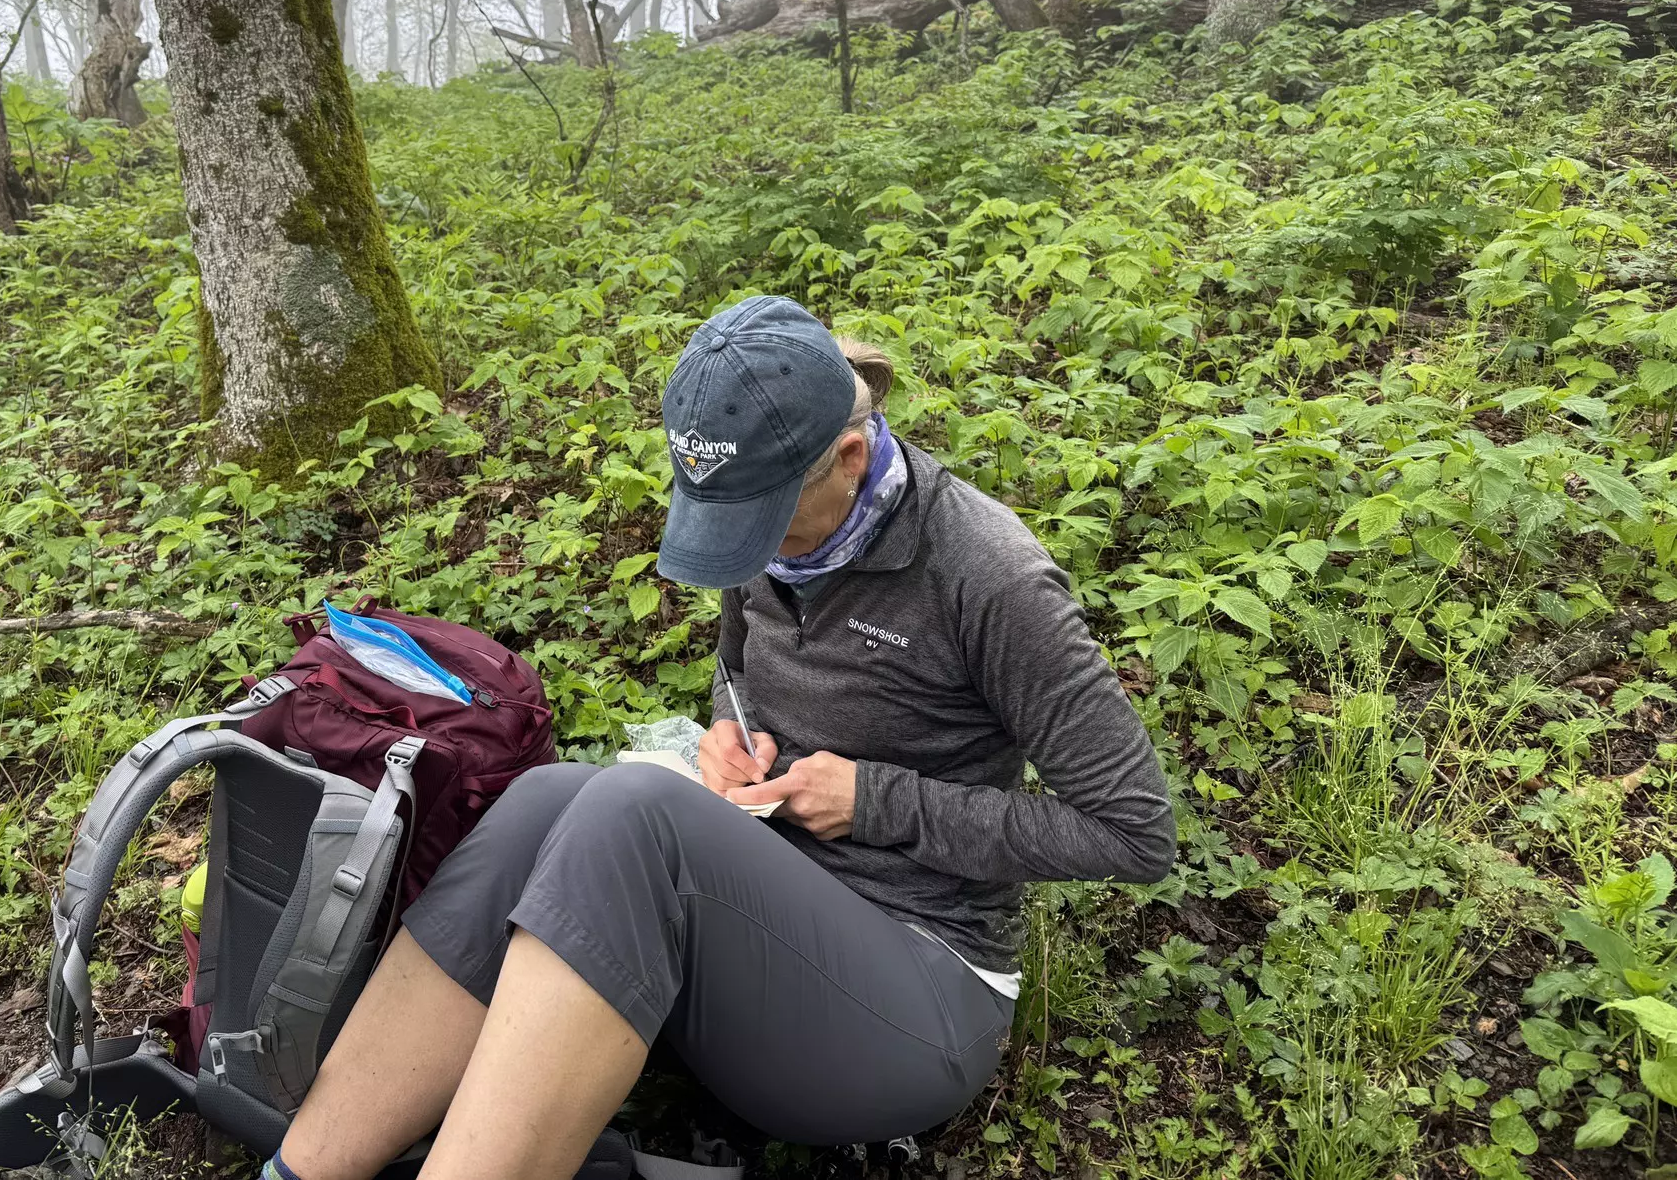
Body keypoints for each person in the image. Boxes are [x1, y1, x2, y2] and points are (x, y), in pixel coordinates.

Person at [265, 296, 1175, 1180]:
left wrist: (878, 801)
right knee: (546, 797)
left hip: (920, 996)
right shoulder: (776, 525)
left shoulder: (990, 577)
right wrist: (728, 736)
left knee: (632, 811)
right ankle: (304, 1168)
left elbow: (1135, 834)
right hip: (764, 930)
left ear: (850, 458)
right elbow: (737, 677)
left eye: (759, 525)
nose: (747, 555)